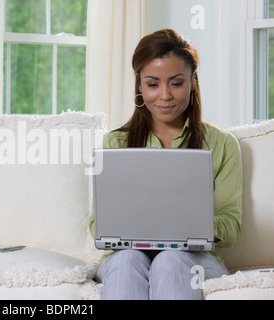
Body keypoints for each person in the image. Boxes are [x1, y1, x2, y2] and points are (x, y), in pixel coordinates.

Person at [89, 29, 243, 300]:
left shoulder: (222, 144)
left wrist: (191, 225)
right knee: (127, 261)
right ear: (138, 85)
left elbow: (231, 224)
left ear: (192, 81)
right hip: (127, 257)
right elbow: (96, 224)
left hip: (196, 260)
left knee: (169, 260)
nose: (165, 95)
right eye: (152, 84)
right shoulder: (114, 144)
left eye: (175, 83)